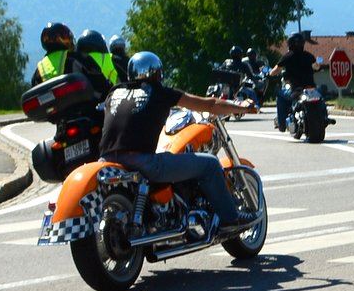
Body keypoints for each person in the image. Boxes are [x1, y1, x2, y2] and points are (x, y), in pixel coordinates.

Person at [99, 51, 259, 236]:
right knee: (210, 164)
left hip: (108, 161)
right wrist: (241, 107)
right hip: (143, 162)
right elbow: (209, 105)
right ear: (157, 74)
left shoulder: (114, 93)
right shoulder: (160, 92)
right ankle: (231, 220)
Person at [30, 23, 108, 97]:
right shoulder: (76, 58)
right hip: (80, 107)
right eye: (65, 36)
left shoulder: (39, 69)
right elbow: (100, 82)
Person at [270, 32, 317, 132]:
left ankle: (282, 124)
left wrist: (270, 73)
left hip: (295, 88)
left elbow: (275, 70)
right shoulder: (308, 56)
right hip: (310, 88)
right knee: (320, 97)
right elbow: (316, 66)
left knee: (280, 96)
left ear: (290, 43)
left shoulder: (288, 56)